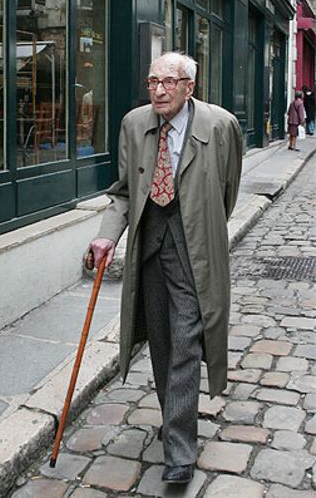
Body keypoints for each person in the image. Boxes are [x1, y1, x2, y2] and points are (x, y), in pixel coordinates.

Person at [87, 52, 242, 484]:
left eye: (168, 82)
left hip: (194, 251)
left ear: (189, 87)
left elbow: (227, 190)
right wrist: (106, 235)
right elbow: (121, 191)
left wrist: (201, 225)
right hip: (149, 246)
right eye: (152, 81)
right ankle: (175, 418)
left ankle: (179, 450)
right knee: (159, 342)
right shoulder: (134, 124)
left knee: (186, 343)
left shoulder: (220, 125)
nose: (158, 90)